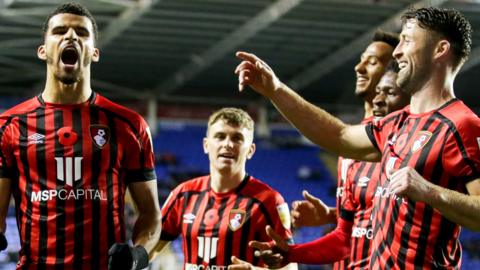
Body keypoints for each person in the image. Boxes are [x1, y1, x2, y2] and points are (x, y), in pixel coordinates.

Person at [235, 6, 480, 269]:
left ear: (440, 50)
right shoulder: (396, 123)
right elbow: (338, 135)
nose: (397, 52)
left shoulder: (461, 124)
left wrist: (429, 192)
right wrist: (275, 90)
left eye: (407, 41)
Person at [0, 2, 161, 270]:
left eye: (82, 33)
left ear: (94, 53)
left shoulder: (130, 126)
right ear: (43, 50)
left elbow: (151, 216)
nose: (71, 37)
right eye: (60, 31)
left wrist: (137, 257)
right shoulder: (9, 126)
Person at [151, 107, 297, 270]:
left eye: (237, 138)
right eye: (220, 136)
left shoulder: (269, 201)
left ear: (250, 150)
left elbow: (290, 267)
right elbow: (150, 246)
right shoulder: (183, 194)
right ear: (206, 145)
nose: (228, 144)